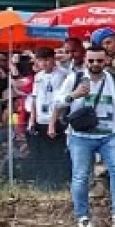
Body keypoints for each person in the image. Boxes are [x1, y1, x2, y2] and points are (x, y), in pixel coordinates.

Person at [50, 45, 115, 227]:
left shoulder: (114, 79)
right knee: (81, 176)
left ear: (106, 61)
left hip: (109, 134)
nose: (95, 64)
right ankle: (83, 217)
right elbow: (56, 102)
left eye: (99, 60)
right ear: (86, 61)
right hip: (80, 136)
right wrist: (74, 95)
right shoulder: (75, 78)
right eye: (91, 60)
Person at [24, 47, 70, 188]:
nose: (44, 63)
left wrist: (52, 122)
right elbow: (34, 97)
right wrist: (32, 119)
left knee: (55, 152)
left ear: (53, 59)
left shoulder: (63, 75)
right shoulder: (39, 76)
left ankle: (56, 181)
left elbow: (61, 100)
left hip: (55, 118)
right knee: (41, 152)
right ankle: (43, 181)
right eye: (40, 60)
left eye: (47, 60)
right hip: (40, 118)